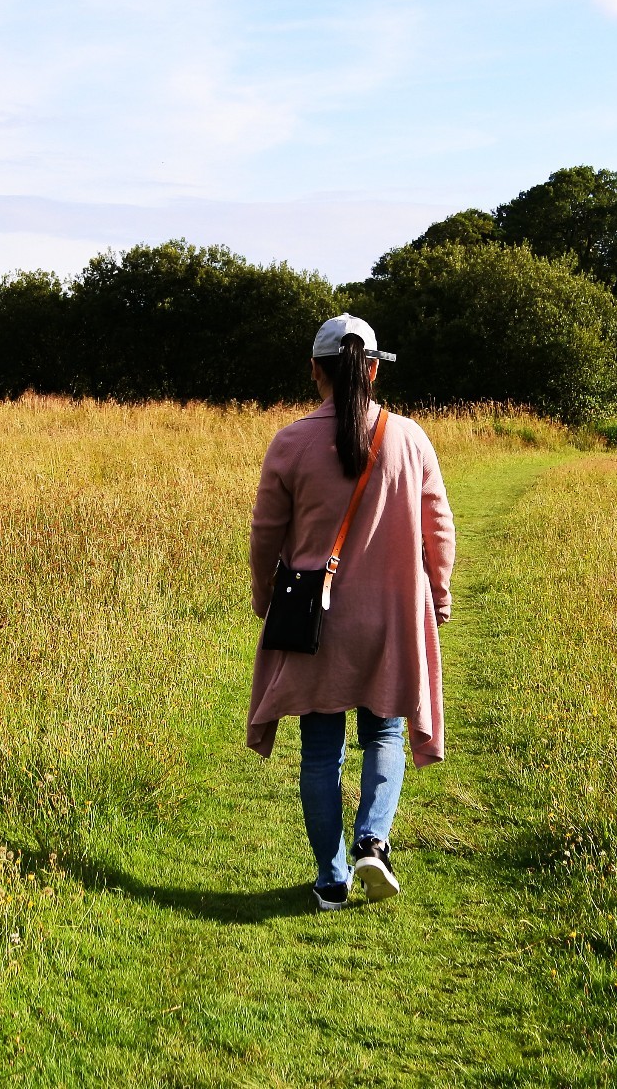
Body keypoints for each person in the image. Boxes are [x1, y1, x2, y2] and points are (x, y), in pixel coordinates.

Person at [247, 313, 456, 910]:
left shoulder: (289, 442)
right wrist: (437, 597)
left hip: (315, 620)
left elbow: (266, 535)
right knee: (385, 731)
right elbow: (439, 528)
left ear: (316, 370)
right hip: (391, 615)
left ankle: (331, 879)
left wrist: (266, 598)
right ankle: (373, 839)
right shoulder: (410, 438)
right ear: (371, 369)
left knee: (320, 750)